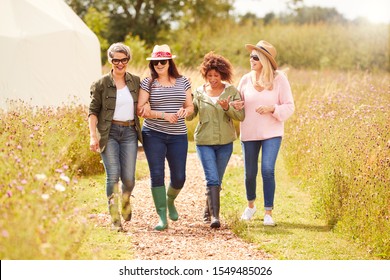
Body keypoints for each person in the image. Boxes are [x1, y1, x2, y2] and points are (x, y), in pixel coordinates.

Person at [235, 40, 294, 226]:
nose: (250, 59)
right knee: (250, 173)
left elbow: (289, 106)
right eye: (250, 56)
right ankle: (251, 206)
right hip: (249, 133)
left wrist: (272, 108)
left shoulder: (279, 79)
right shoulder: (245, 79)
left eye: (255, 57)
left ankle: (268, 212)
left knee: (267, 169)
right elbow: (238, 106)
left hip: (272, 133)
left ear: (264, 60)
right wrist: (235, 106)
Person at [137, 44, 194, 231]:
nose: (159, 64)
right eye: (155, 62)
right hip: (153, 134)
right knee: (157, 174)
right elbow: (141, 110)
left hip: (178, 135)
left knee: (179, 177)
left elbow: (190, 107)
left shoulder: (183, 81)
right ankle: (162, 217)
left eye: (163, 61)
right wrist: (163, 115)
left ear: (170, 62)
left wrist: (184, 111)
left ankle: (170, 201)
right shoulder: (148, 83)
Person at [186, 52, 244, 228]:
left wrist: (227, 108)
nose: (212, 79)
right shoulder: (199, 92)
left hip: (225, 143)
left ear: (223, 75)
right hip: (204, 142)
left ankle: (208, 209)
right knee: (211, 178)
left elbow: (240, 116)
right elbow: (191, 116)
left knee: (217, 179)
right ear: (205, 75)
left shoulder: (232, 92)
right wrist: (185, 102)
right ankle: (215, 217)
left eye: (216, 76)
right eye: (209, 75)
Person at [88, 42, 142, 231]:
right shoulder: (101, 84)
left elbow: (144, 104)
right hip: (108, 133)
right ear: (110, 60)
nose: (120, 63)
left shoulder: (135, 81)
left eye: (124, 59)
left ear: (128, 60)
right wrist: (92, 136)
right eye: (116, 60)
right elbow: (93, 112)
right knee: (113, 176)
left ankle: (126, 202)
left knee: (129, 179)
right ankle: (114, 219)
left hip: (129, 132)